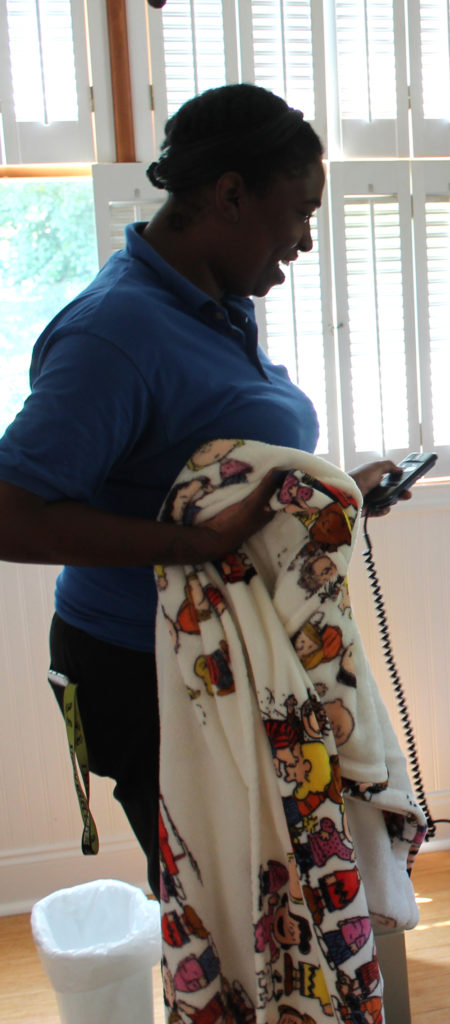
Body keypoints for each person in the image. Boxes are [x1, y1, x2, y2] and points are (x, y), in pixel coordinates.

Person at [0, 84, 405, 898]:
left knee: (272, 896)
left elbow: (205, 467)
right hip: (145, 670)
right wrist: (194, 545)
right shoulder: (115, 331)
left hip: (224, 650)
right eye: (300, 211)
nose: (306, 239)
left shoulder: (215, 303)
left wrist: (333, 493)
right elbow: (12, 513)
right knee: (221, 908)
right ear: (229, 195)